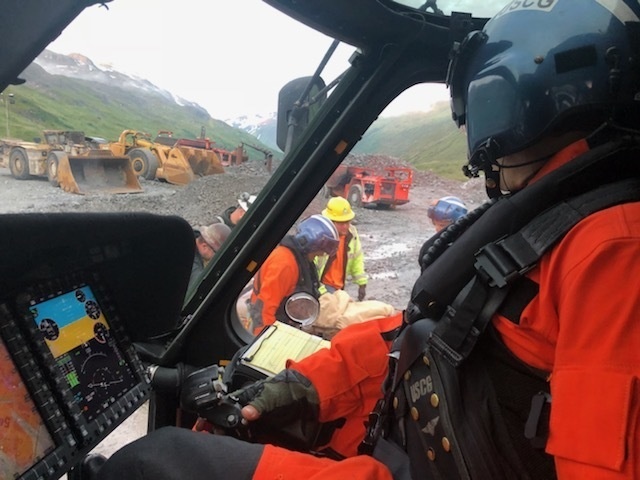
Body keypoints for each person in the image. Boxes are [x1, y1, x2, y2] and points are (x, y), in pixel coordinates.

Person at [97, 1, 640, 479]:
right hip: (420, 445)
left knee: (156, 463)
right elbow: (424, 339)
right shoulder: (552, 221)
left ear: (508, 94)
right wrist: (307, 386)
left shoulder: (613, 250)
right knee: (219, 431)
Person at [248, 214, 340, 335]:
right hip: (266, 328)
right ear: (310, 245)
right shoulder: (284, 263)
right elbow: (264, 310)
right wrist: (263, 341)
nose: (318, 257)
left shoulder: (301, 260)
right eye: (318, 253)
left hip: (284, 325)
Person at [316, 196, 368, 301]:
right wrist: (319, 290)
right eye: (341, 223)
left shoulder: (351, 235)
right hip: (322, 286)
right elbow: (310, 268)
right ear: (330, 221)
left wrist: (362, 284)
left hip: (339, 288)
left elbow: (357, 260)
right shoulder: (319, 236)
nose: (345, 226)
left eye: (347, 222)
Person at [188, 223, 231, 291]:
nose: (215, 258)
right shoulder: (192, 267)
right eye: (216, 253)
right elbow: (197, 290)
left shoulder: (186, 236)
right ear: (204, 246)